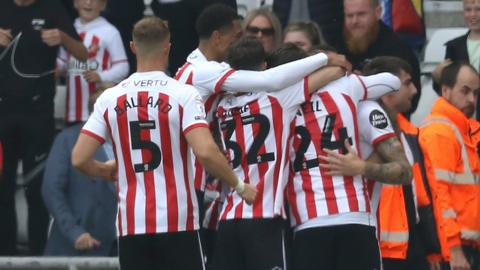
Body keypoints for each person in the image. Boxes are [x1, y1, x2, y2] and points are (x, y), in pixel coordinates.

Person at [71, 17, 256, 270]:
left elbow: (79, 158)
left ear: (133, 47)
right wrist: (239, 185)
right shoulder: (183, 93)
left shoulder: (109, 98)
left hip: (132, 223)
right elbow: (205, 151)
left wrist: (104, 171)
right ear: (168, 47)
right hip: (177, 220)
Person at [213, 36, 346, 270]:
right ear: (265, 66)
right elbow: (334, 71)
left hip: (227, 218)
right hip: (263, 219)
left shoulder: (222, 106)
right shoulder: (277, 98)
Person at [271, 44, 402, 270]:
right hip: (354, 216)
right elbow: (393, 81)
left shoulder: (275, 102)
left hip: (308, 222)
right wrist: (336, 67)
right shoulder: (346, 86)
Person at [0, 0, 87, 255]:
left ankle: (38, 256)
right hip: (3, 113)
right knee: (2, 189)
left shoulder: (52, 9)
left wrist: (62, 38)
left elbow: (83, 53)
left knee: (37, 189)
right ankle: (5, 256)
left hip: (38, 113)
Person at [360, 57, 445, 269]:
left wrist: (432, 247)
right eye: (407, 83)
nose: (415, 90)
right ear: (387, 90)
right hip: (380, 249)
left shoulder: (410, 134)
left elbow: (421, 195)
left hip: (411, 246)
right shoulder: (362, 136)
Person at [419, 62, 480, 270]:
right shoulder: (440, 132)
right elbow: (439, 196)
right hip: (454, 250)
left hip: (465, 245)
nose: (472, 99)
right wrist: (453, 249)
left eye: (476, 93)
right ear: (445, 90)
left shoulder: (460, 130)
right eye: (465, 91)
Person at [42, 88, 117, 256]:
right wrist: (75, 231)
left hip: (120, 247)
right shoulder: (68, 140)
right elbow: (52, 190)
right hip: (78, 246)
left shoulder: (132, 142)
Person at [332, 0, 421, 115]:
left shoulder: (396, 48)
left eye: (361, 14)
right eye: (349, 15)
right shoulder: (337, 45)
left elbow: (410, 98)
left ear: (378, 12)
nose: (354, 21)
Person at [58, 0, 129, 125]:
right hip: (72, 111)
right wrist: (56, 68)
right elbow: (63, 61)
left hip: (98, 110)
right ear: (75, 3)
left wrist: (101, 76)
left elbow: (123, 66)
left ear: (103, 5)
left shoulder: (110, 31)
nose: (88, 3)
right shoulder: (68, 29)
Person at [444, 0, 480, 120]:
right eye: (468, 10)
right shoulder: (454, 46)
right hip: (462, 117)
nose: (473, 14)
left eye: (478, 9)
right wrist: (437, 75)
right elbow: (444, 85)